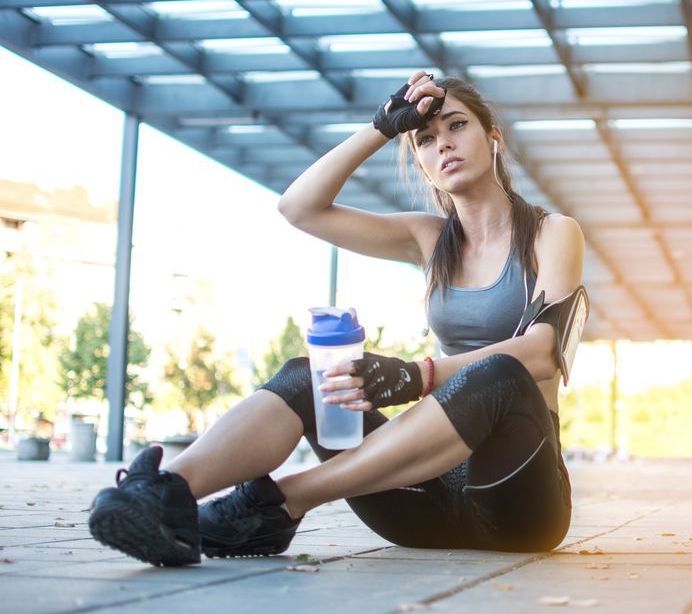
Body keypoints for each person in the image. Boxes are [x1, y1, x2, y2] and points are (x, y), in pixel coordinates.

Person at [88, 70, 586, 566]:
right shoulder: (427, 239)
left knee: (499, 374)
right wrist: (382, 127)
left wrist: (415, 376)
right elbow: (299, 207)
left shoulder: (552, 233)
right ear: (421, 163)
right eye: (426, 140)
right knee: (308, 375)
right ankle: (159, 492)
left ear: (492, 137)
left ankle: (279, 502)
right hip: (423, 503)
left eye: (458, 126)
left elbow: (543, 351)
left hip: (518, 501)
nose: (444, 146)